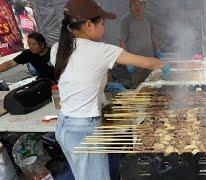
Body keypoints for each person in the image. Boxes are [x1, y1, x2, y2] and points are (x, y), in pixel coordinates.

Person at [50, 0, 170, 179]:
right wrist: (166, 65)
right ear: (89, 25)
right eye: (103, 24)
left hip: (63, 126)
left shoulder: (56, 49)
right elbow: (149, 62)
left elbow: (78, 77)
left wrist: (104, 85)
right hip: (84, 129)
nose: (104, 29)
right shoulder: (101, 50)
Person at [113, 0, 163, 88]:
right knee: (139, 88)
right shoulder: (126, 20)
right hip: (136, 63)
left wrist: (158, 50)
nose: (137, 6)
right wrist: (128, 62)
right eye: (134, 4)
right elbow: (122, 42)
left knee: (154, 87)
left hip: (150, 60)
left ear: (144, 4)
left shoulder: (149, 17)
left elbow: (154, 36)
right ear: (130, 4)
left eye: (140, 4)